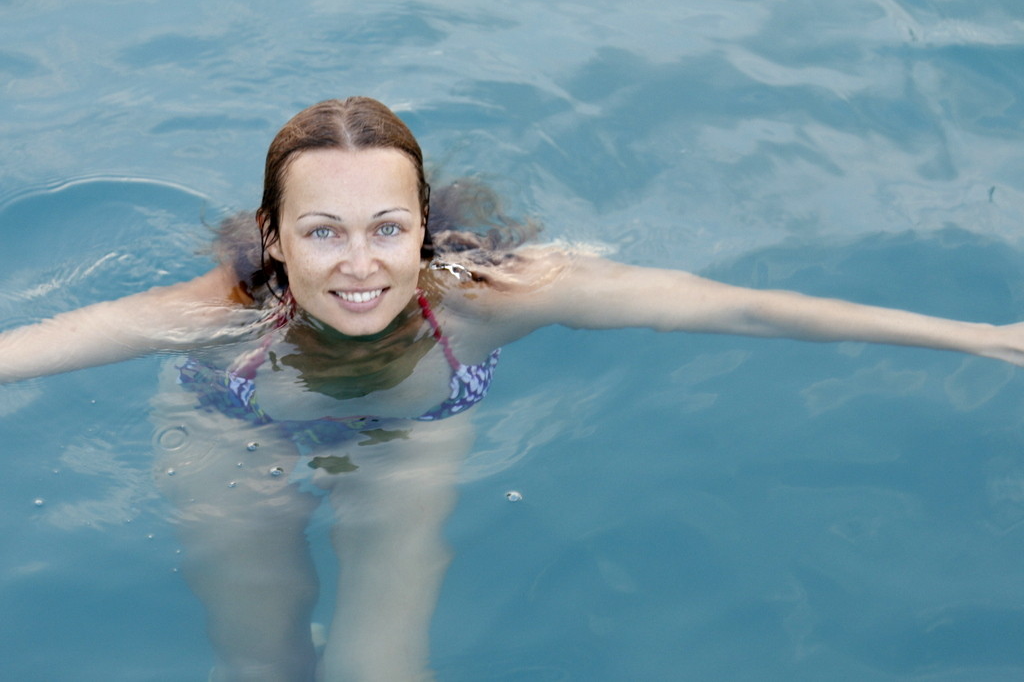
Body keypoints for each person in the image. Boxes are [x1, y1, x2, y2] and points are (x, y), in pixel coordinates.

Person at [1, 96, 1022, 682]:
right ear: (272, 236)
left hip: (414, 428)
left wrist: (980, 335)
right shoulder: (217, 310)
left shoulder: (496, 298)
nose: (359, 264)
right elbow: (27, 348)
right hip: (235, 426)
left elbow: (739, 308)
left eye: (385, 227)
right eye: (321, 231)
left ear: (422, 225)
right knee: (260, 660)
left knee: (375, 671)